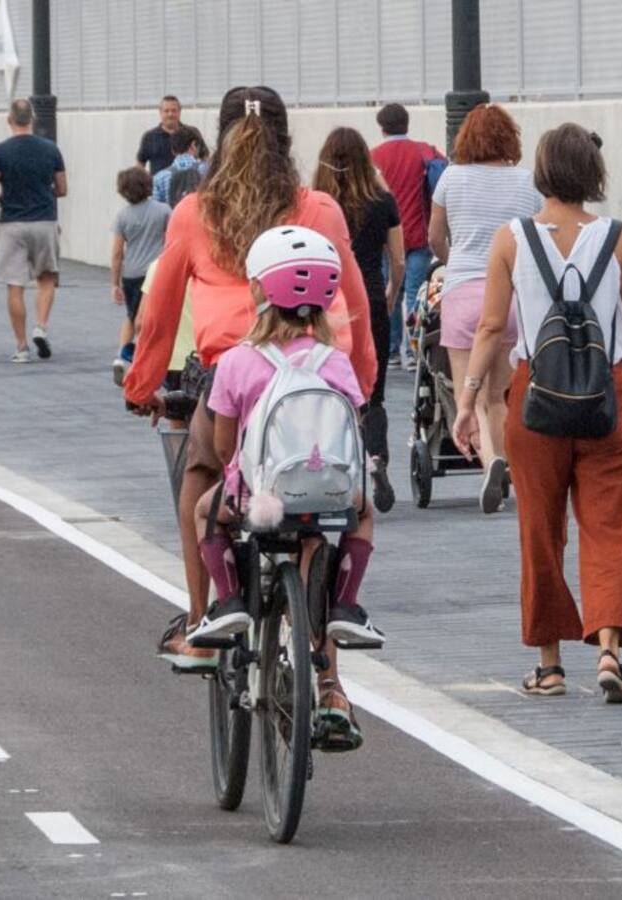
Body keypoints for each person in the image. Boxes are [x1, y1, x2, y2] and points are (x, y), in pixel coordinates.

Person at [124, 86, 377, 686]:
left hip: (230, 380)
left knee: (202, 475)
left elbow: (158, 314)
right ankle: (330, 683)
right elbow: (359, 311)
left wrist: (141, 386)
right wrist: (359, 387)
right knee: (324, 508)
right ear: (287, 143)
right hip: (318, 384)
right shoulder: (319, 209)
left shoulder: (194, 213)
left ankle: (201, 621)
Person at [452, 123, 622, 704]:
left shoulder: (510, 239)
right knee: (614, 526)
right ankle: (609, 650)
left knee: (540, 530)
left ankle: (548, 667)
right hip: (608, 399)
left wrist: (468, 400)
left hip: (535, 399)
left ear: (541, 173)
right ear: (593, 174)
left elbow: (492, 327)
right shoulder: (617, 238)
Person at [189, 226, 382, 751]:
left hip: (262, 500)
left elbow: (228, 449)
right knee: (358, 518)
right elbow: (351, 429)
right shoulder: (335, 361)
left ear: (257, 292)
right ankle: (343, 607)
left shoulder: (237, 362)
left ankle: (228, 600)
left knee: (206, 509)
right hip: (329, 497)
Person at [430, 104, 543, 514]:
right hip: (510, 295)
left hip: (461, 290)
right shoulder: (528, 182)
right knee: (499, 396)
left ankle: (489, 463)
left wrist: (450, 260)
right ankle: (503, 462)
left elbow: (435, 236)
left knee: (468, 395)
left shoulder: (451, 178)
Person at [314, 126, 405, 513]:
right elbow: (398, 259)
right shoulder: (383, 200)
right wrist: (391, 295)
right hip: (369, 298)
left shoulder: (318, 204)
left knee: (330, 393)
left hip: (326, 305)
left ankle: (335, 474)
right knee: (373, 391)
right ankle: (377, 459)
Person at [0, 99, 67, 363]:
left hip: (12, 223)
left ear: (10, 120)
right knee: (46, 278)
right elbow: (63, 189)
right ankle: (40, 327)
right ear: (32, 119)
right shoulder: (50, 149)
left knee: (15, 286)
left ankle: (21, 347)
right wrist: (46, 192)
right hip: (44, 221)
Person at [370, 102, 445, 370]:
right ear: (406, 124)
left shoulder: (373, 157)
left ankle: (391, 352)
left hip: (385, 238)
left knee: (391, 292)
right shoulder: (422, 152)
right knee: (415, 293)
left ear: (382, 128)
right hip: (419, 235)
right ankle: (415, 352)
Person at [110, 167, 170, 384]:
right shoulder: (163, 211)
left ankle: (121, 357)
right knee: (153, 318)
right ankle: (143, 360)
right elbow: (171, 240)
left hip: (132, 273)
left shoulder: (122, 215)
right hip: (157, 272)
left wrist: (114, 283)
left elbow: (117, 252)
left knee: (131, 315)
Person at [152, 126, 202, 206]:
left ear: (173, 150)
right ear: (193, 145)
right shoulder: (207, 171)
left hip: (174, 217)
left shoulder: (159, 177)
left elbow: (157, 212)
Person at [136, 95, 182, 175]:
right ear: (160, 112)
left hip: (186, 187)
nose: (170, 114)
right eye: (166, 111)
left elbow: (205, 159)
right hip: (157, 186)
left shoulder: (191, 133)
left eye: (173, 110)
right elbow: (140, 165)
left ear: (179, 112)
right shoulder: (149, 137)